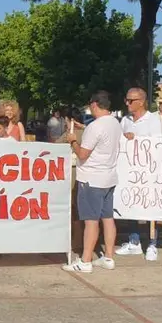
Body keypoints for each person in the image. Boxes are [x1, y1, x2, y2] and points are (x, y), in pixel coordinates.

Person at [64, 91, 121, 273]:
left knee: (90, 221)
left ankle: (86, 260)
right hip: (109, 176)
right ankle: (109, 257)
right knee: (108, 218)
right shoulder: (114, 123)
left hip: (91, 178)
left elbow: (82, 154)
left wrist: (73, 141)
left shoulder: (95, 127)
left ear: (95, 104)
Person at [116, 87, 162, 261]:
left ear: (141, 101)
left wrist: (136, 139)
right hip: (130, 172)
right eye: (126, 100)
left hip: (149, 172)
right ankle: (134, 241)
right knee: (131, 205)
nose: (127, 103)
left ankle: (152, 243)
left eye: (131, 100)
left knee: (151, 209)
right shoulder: (125, 120)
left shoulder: (153, 120)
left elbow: (158, 145)